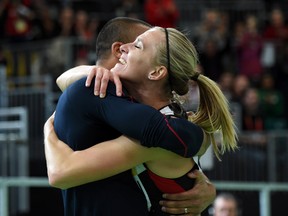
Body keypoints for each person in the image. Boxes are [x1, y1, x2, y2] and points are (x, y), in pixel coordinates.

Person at [45, 18, 237, 215]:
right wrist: (94, 71)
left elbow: (60, 172)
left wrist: (47, 132)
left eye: (138, 45)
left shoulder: (154, 139)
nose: (124, 48)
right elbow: (64, 80)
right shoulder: (139, 111)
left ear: (156, 72)